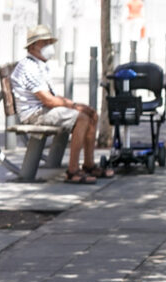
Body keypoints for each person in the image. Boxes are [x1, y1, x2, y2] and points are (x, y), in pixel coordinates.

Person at [10, 25, 113, 184]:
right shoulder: (29, 67)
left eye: (50, 42)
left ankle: (89, 164)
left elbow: (51, 97)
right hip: (35, 114)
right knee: (82, 118)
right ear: (32, 46)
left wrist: (74, 105)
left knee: (92, 114)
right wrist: (75, 106)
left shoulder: (40, 65)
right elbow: (48, 100)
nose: (49, 46)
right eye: (44, 43)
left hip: (43, 110)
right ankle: (72, 171)